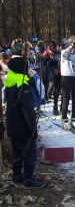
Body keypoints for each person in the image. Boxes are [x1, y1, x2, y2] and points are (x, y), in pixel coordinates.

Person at [4, 43, 46, 189]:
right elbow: (27, 111)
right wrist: (33, 131)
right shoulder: (22, 86)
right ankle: (28, 178)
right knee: (30, 152)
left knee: (17, 151)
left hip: (13, 127)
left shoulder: (10, 82)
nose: (29, 70)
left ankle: (16, 176)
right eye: (27, 68)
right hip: (23, 129)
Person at [60, 36, 75, 129]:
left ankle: (74, 119)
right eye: (72, 43)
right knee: (66, 99)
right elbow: (65, 58)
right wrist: (70, 47)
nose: (74, 46)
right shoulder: (64, 51)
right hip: (66, 77)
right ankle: (64, 119)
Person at [46, 43, 61, 115]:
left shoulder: (59, 54)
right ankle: (55, 106)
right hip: (55, 75)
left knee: (64, 92)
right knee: (56, 90)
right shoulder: (55, 55)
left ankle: (63, 106)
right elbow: (49, 64)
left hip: (65, 75)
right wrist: (54, 70)